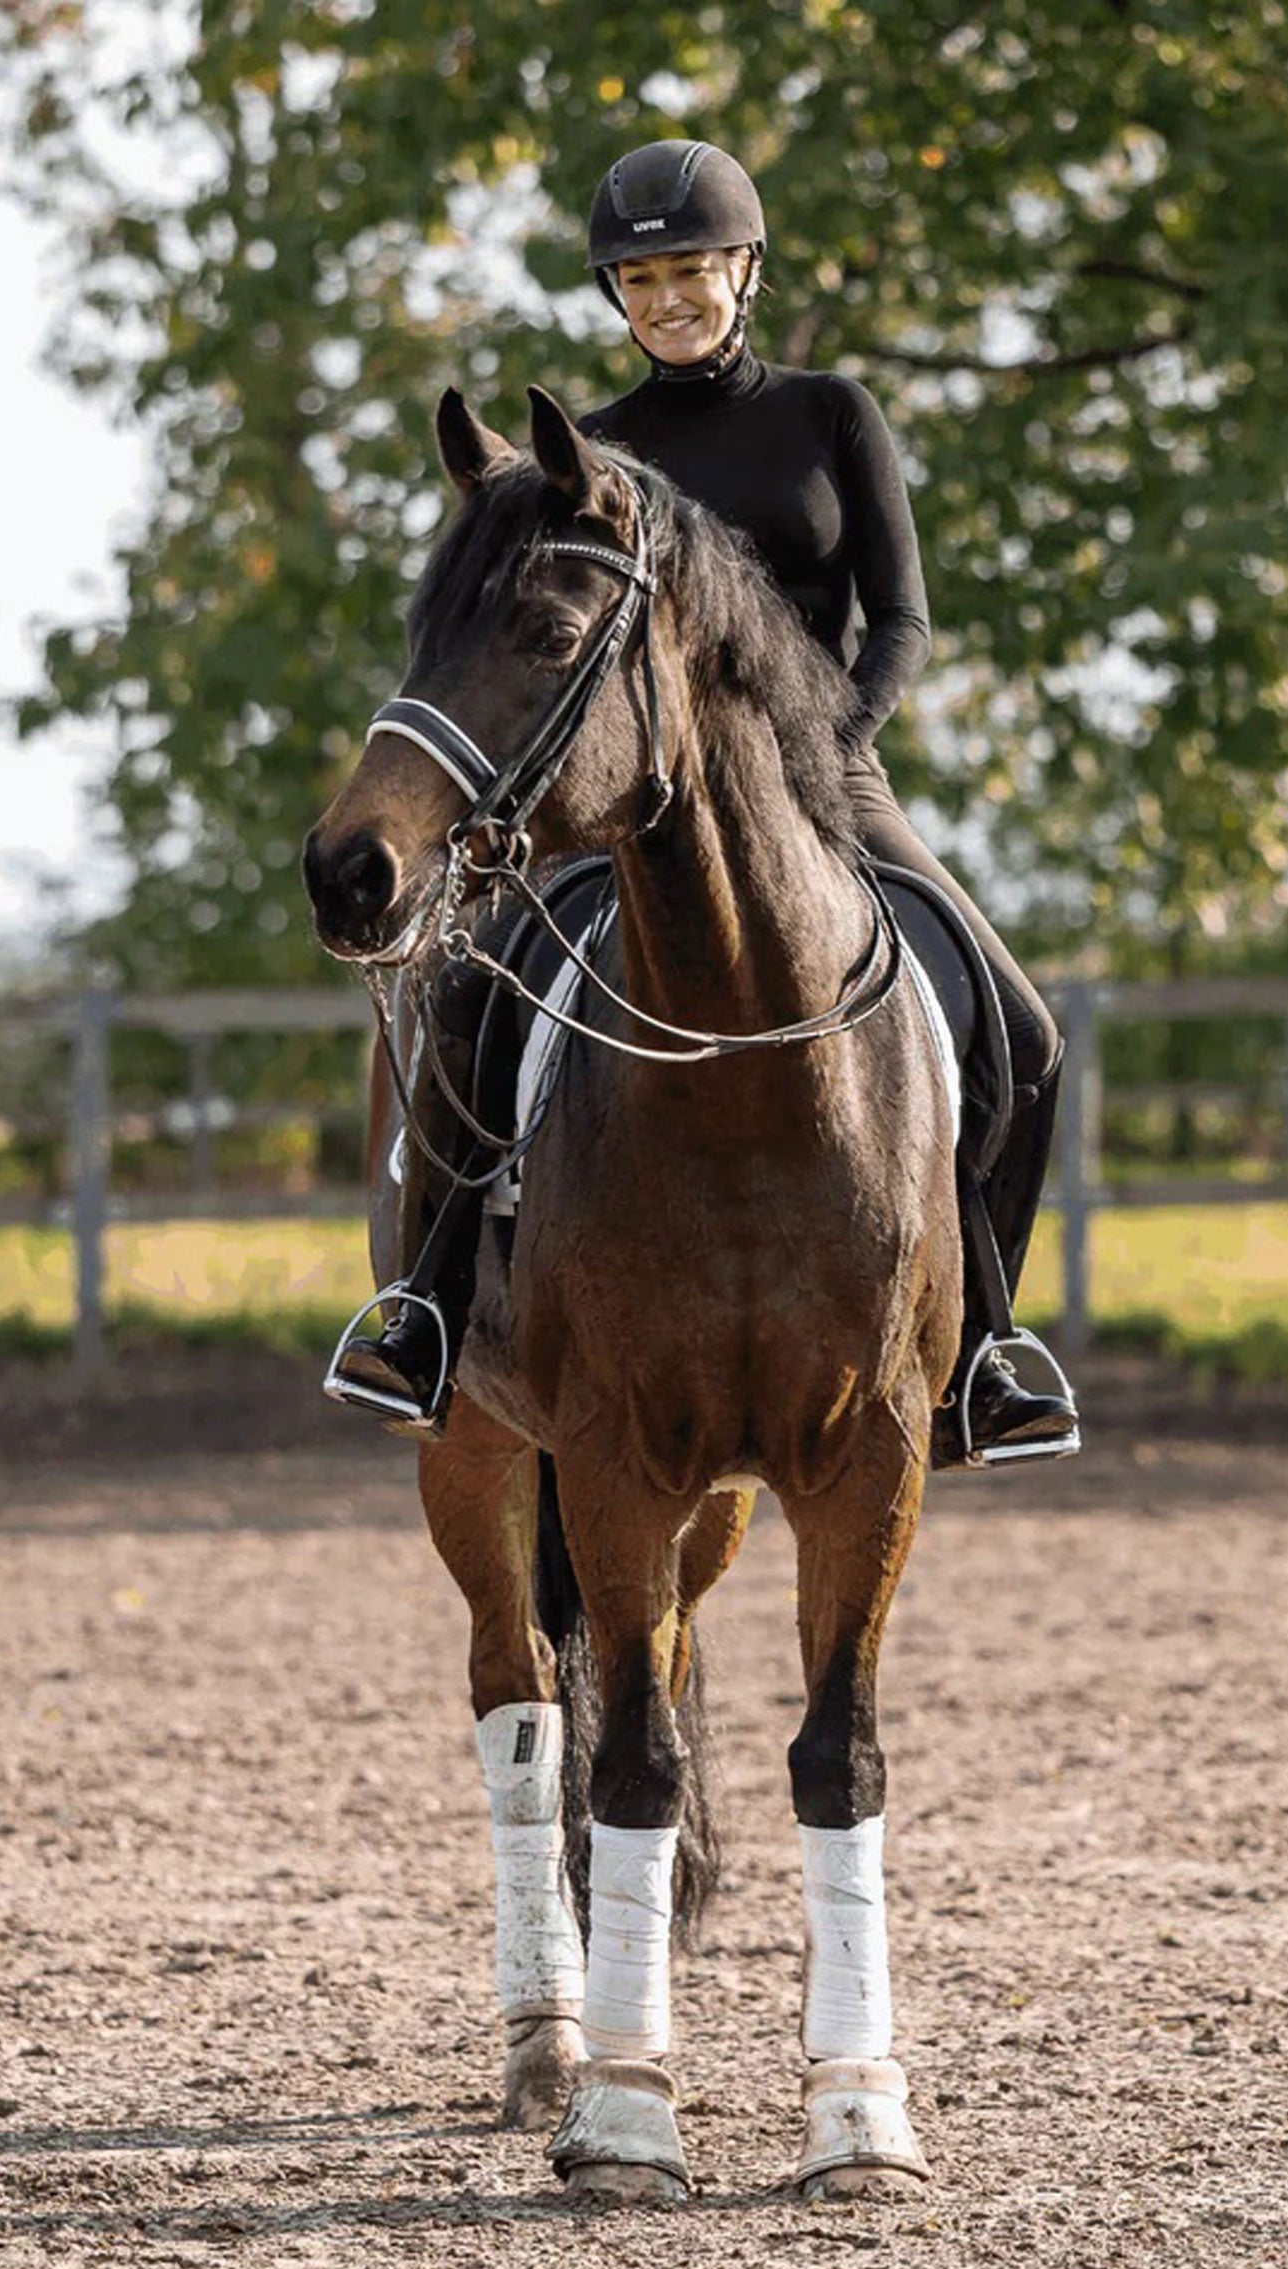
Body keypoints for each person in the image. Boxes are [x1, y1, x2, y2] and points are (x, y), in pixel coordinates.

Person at [333, 137, 1078, 1467]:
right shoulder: (592, 454)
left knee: (1022, 1028)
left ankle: (982, 1348)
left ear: (745, 269)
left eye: (690, 270)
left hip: (829, 776)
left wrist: (829, 745)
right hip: (625, 798)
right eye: (639, 279)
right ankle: (428, 1312)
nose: (667, 298)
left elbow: (902, 620)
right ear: (615, 296)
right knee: (466, 996)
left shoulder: (831, 415)